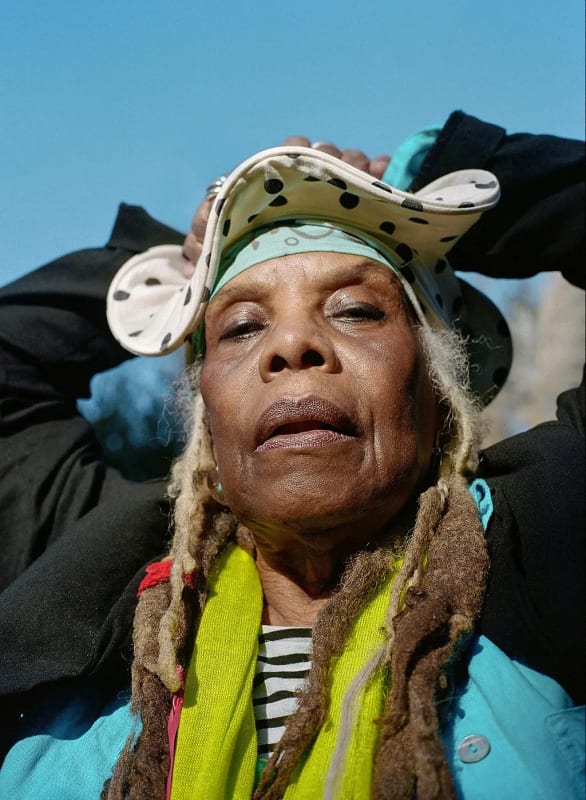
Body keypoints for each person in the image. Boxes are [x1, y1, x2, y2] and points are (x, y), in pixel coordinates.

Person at [0, 112, 583, 800]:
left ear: (438, 393)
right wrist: (183, 256)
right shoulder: (102, 582)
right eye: (243, 326)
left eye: (355, 311)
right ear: (206, 419)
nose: (291, 346)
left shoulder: (541, 546)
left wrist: (426, 176)